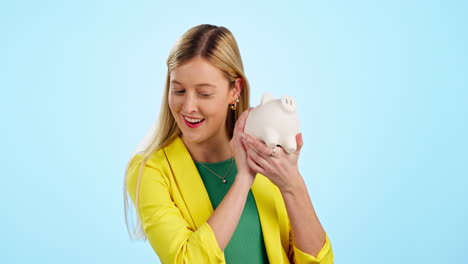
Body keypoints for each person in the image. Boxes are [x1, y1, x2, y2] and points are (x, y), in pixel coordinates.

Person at [123, 24, 334, 263]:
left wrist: (292, 185)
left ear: (235, 90)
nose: (188, 107)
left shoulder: (266, 156)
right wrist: (243, 179)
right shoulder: (150, 170)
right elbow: (186, 260)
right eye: (179, 91)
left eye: (204, 93)